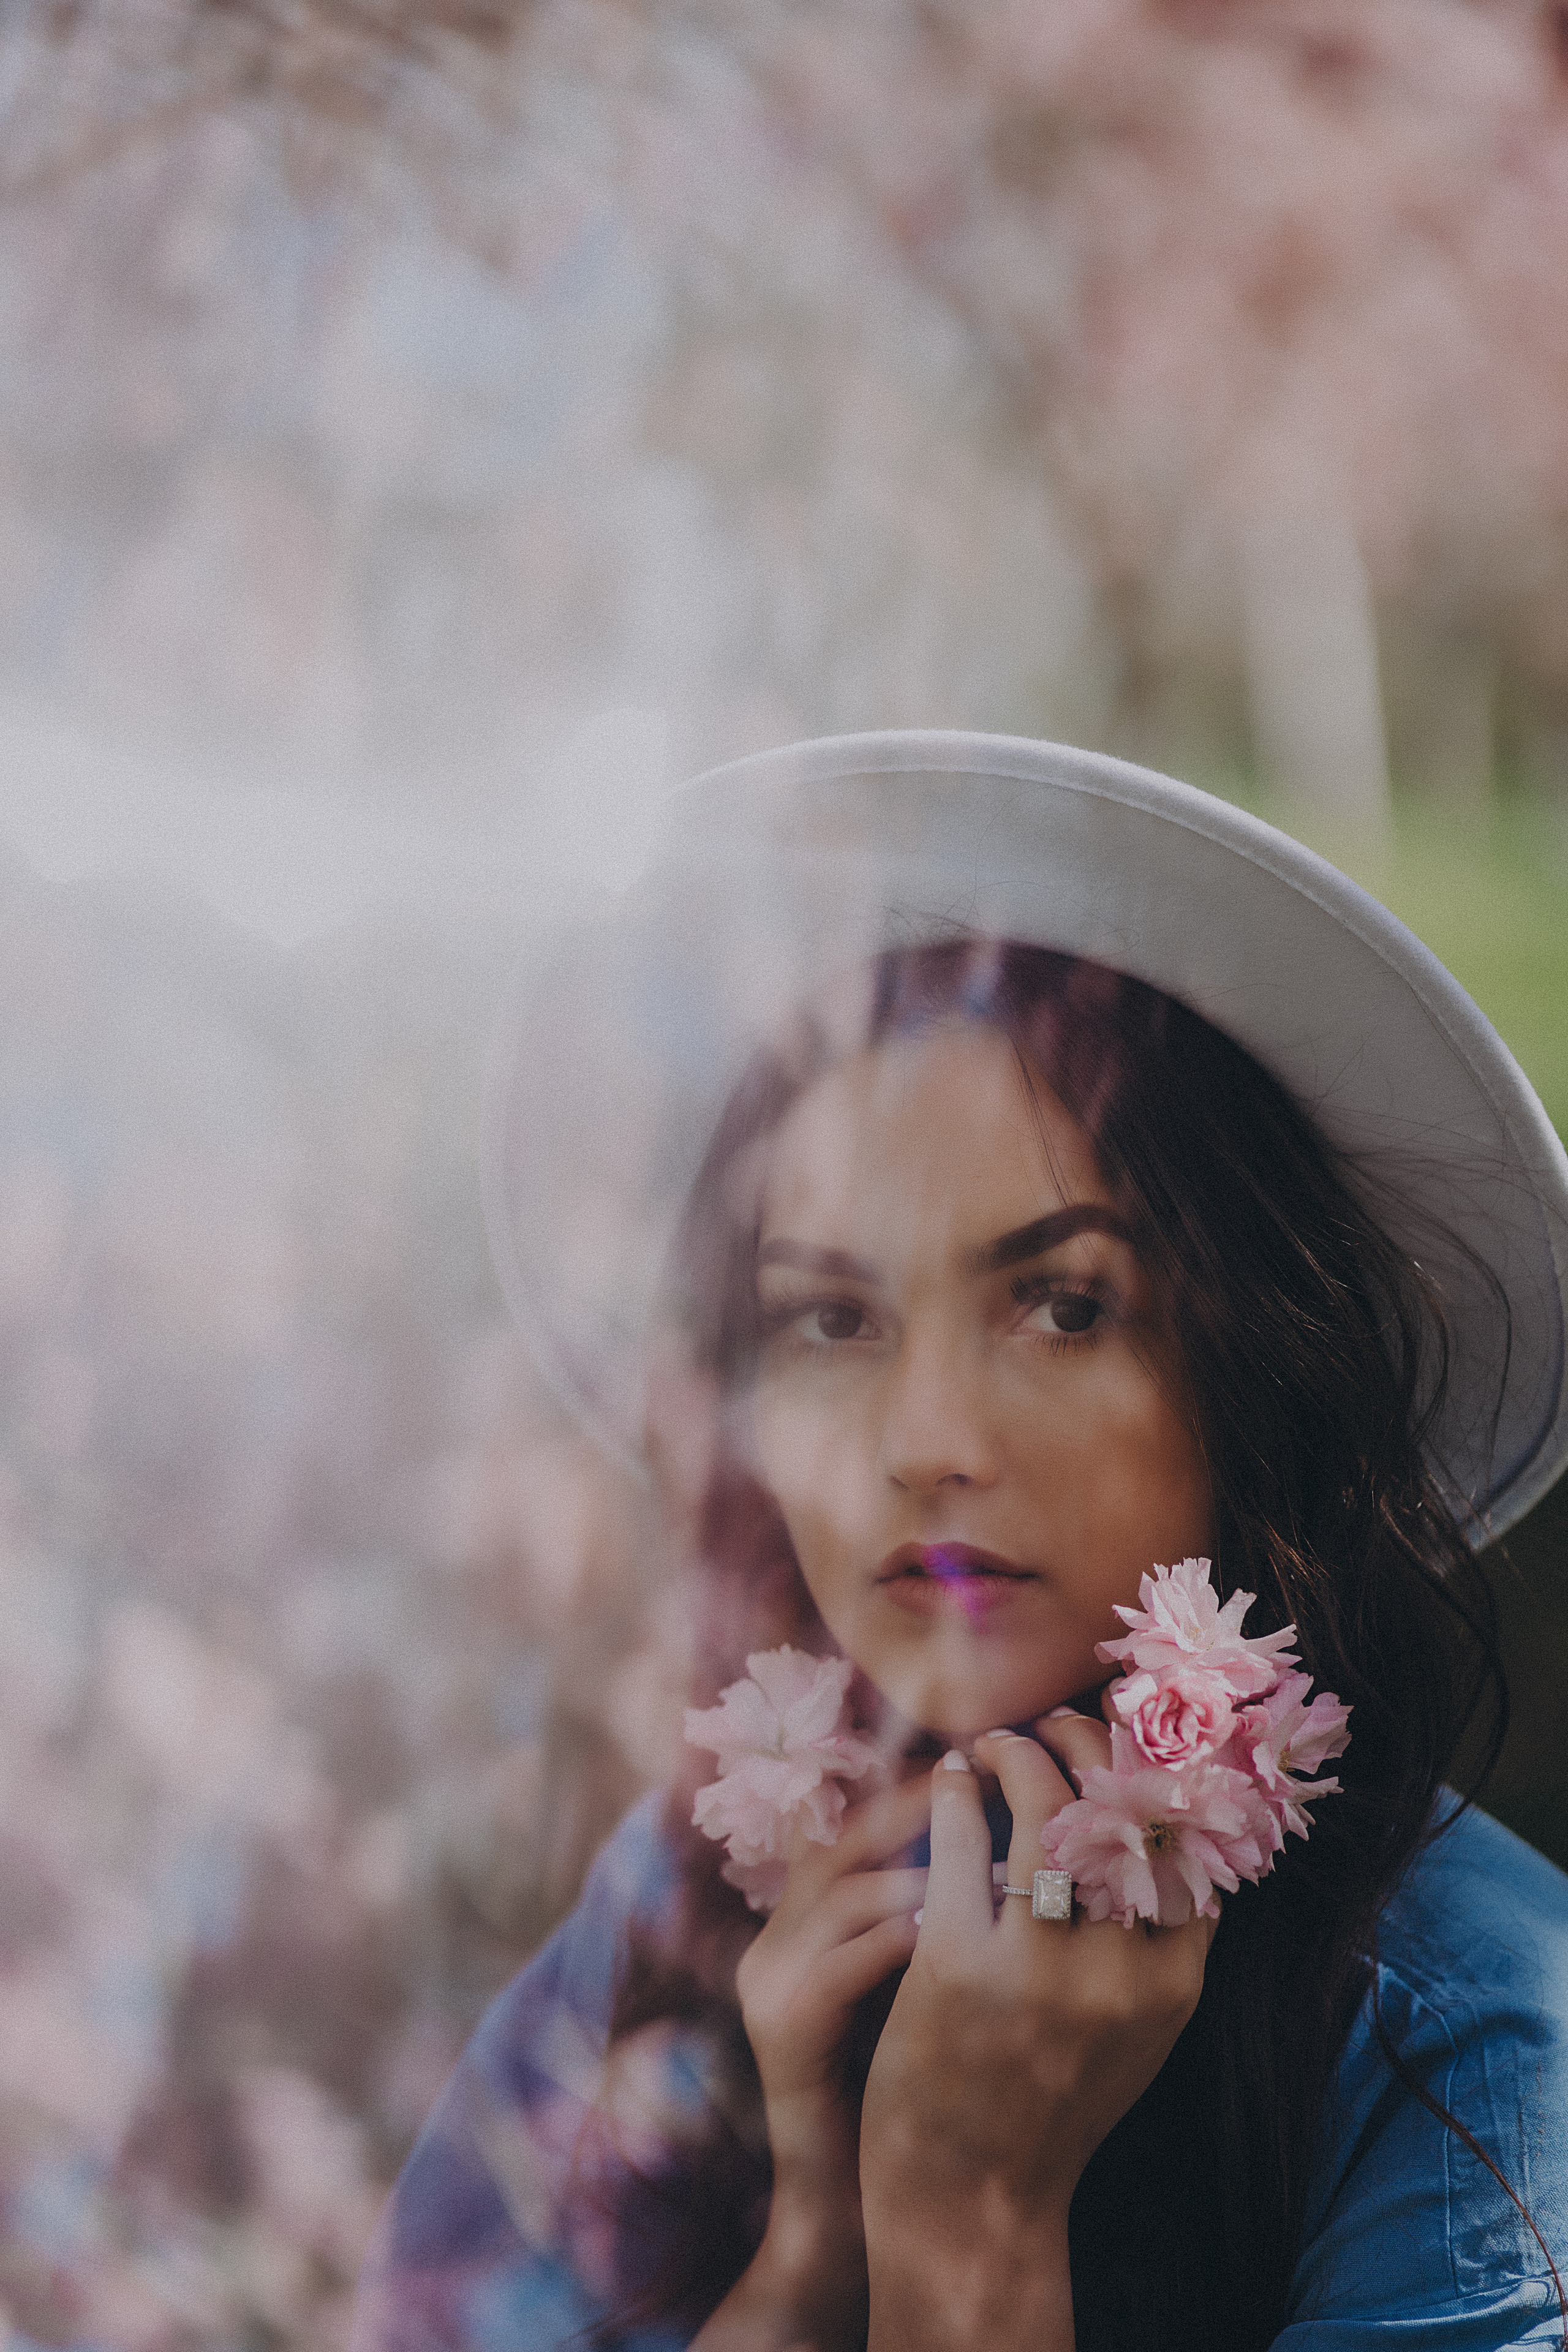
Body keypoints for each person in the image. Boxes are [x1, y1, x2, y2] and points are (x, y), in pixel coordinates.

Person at [353, 733, 1568, 2352]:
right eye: (831, 1320)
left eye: (1064, 1304)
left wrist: (969, 2224)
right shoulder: (668, 1904)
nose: (929, 1438)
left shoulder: (1479, 2029)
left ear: (1251, 1368)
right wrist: (809, 2256)